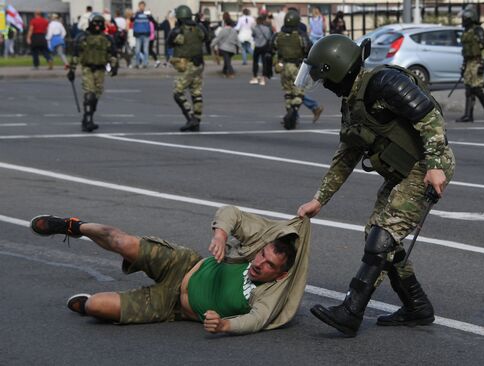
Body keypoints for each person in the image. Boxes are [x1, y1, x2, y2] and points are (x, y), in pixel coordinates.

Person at [295, 34, 455, 337]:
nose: (325, 85)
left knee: (382, 237)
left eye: (325, 77)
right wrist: (319, 200)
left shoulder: (383, 83)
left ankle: (351, 310)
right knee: (378, 238)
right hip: (402, 172)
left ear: (337, 69)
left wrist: (435, 165)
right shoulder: (352, 104)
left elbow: (429, 116)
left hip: (426, 167)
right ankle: (416, 306)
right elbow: (346, 155)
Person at [29, 205, 311, 334]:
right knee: (122, 242)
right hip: (184, 264)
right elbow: (231, 213)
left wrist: (226, 325)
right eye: (262, 256)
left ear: (281, 274)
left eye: (269, 265)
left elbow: (256, 320)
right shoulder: (256, 246)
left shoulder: (268, 295)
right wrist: (221, 235)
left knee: (94, 307)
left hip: (172, 306)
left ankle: (92, 303)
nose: (259, 263)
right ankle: (72, 226)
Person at [67, 13, 118, 132]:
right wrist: (72, 70)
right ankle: (88, 120)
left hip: (100, 69)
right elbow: (76, 54)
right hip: (87, 68)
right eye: (95, 23)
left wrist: (113, 67)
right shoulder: (82, 37)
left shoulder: (107, 39)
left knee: (96, 95)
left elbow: (112, 54)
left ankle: (87, 116)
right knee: (89, 93)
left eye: (100, 23)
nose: (97, 26)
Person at [168, 5, 207, 132]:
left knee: (178, 93)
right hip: (199, 63)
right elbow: (206, 37)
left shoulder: (178, 31)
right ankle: (197, 120)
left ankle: (191, 118)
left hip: (187, 64)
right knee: (196, 93)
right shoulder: (199, 28)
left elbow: (169, 42)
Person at [272, 9, 311, 129]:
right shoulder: (300, 35)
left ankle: (289, 110)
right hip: (296, 67)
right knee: (299, 92)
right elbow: (308, 49)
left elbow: (272, 48)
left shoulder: (278, 35)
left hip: (283, 66)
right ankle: (294, 110)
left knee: (288, 92)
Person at [456, 5, 484, 122]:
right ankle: (468, 115)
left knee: (476, 89)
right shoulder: (466, 32)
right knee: (468, 89)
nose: (463, 20)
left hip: (477, 62)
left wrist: (482, 65)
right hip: (468, 62)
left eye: (465, 18)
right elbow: (465, 51)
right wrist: (463, 65)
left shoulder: (478, 30)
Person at [211, 13, 239, 78]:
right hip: (231, 44)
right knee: (227, 59)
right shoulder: (233, 26)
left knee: (227, 59)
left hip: (224, 44)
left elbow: (218, 38)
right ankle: (224, 71)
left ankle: (230, 72)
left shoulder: (221, 27)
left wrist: (213, 45)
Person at [131, 1, 156, 68]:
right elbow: (131, 20)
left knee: (145, 50)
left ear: (144, 6)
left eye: (143, 6)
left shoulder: (147, 14)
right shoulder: (136, 14)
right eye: (140, 6)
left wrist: (150, 15)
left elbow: (153, 21)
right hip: (138, 34)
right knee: (137, 50)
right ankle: (137, 63)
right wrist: (134, 14)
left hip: (146, 34)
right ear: (139, 6)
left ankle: (145, 64)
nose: (142, 7)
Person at [250, 14, 273, 85]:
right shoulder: (267, 28)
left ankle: (255, 77)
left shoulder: (254, 28)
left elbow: (253, 35)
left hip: (257, 46)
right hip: (264, 46)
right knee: (264, 62)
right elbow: (269, 37)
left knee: (255, 62)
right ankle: (263, 78)